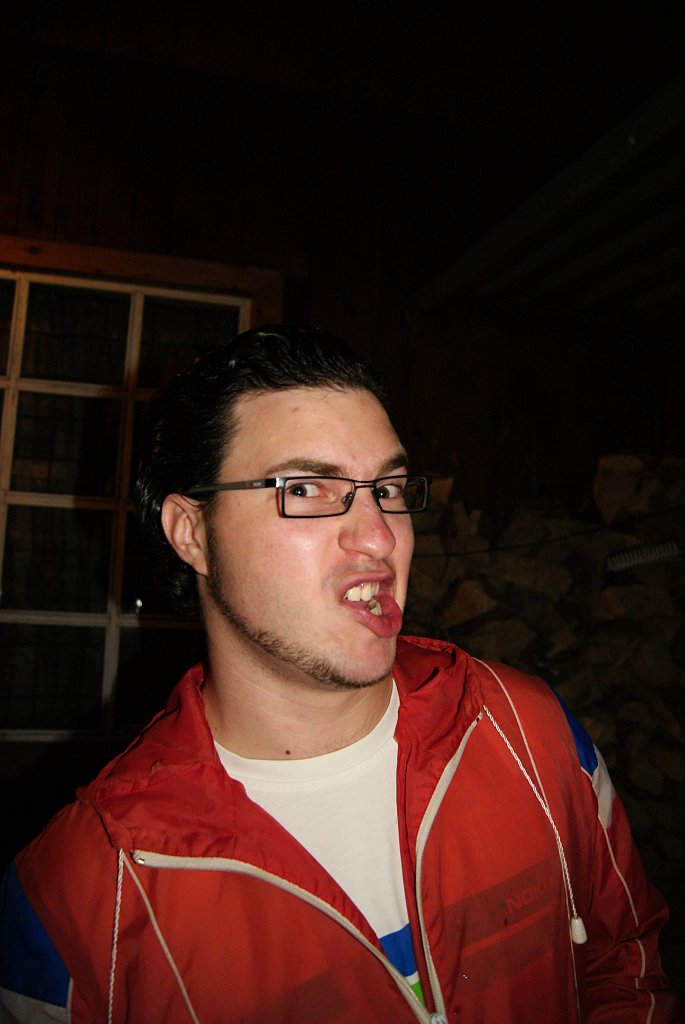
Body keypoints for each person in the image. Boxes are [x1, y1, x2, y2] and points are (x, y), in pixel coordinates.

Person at [0, 324, 681, 1024]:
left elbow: (625, 968)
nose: (379, 535)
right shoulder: (82, 894)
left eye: (387, 488)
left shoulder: (527, 732)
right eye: (306, 488)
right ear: (192, 532)